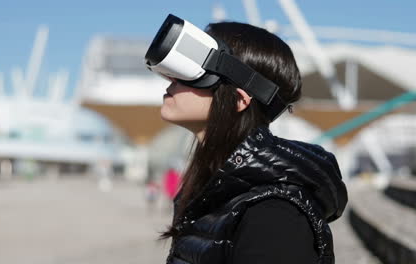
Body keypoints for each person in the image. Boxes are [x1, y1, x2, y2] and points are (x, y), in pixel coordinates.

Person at [145, 15, 348, 264]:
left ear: (240, 100)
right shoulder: (214, 193)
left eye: (196, 71)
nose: (171, 79)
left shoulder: (274, 215)